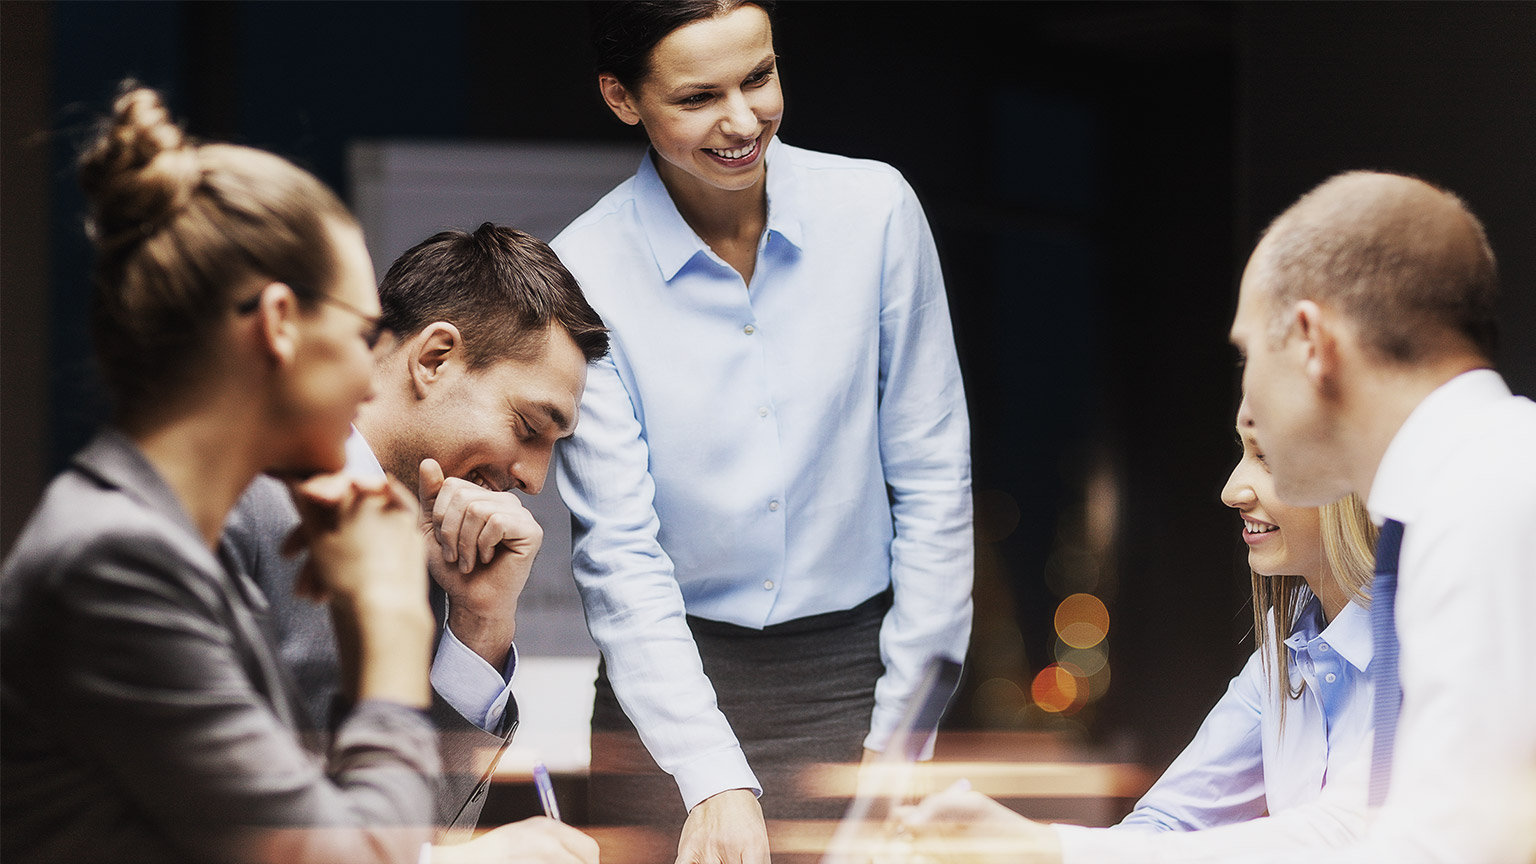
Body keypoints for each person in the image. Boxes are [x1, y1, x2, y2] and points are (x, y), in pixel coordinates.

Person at [903, 171, 1536, 863]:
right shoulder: (1469, 486)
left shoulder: (1488, 490)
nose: (1247, 394)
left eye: (1247, 353)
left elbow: (1398, 839)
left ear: (1310, 342)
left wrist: (1046, 851)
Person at [551, 1, 974, 861]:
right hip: (665, 690)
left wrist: (901, 740)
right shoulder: (581, 272)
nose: (744, 121)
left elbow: (934, 479)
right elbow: (618, 550)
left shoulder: (876, 210)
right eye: (699, 97)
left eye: (760, 76)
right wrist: (708, 772)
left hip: (859, 674)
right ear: (621, 98)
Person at [0, 84, 437, 863]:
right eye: (363, 333)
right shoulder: (114, 563)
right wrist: (394, 617)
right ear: (277, 323)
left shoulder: (167, 550)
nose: (373, 384)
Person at [228, 223, 607, 864]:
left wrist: (480, 627)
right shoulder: (235, 499)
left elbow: (412, 828)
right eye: (528, 426)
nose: (535, 480)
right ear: (433, 358)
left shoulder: (427, 555)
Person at [1044, 400, 1377, 858]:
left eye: (1264, 456)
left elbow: (1345, 837)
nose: (1231, 490)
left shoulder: (1433, 646)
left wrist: (1044, 848)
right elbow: (1169, 822)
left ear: (1350, 471)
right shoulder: (1284, 653)